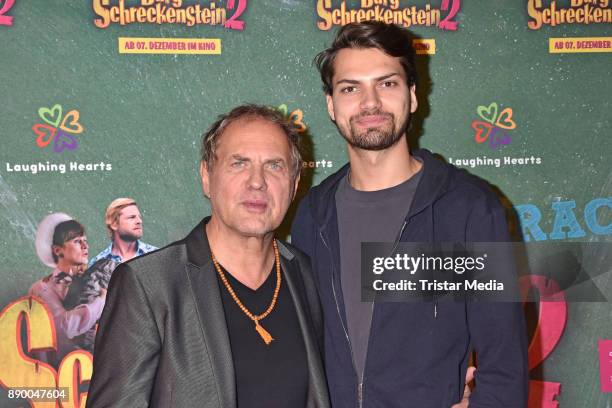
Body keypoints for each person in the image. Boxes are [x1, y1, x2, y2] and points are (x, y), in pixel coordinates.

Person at [291, 22, 528, 407]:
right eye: (351, 88)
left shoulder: (466, 208)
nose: (370, 103)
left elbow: (505, 363)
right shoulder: (313, 216)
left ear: (413, 96)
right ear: (331, 105)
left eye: (387, 84)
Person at [86, 105, 330, 408]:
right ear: (206, 177)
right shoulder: (149, 285)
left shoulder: (303, 273)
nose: (257, 182)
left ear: (294, 186)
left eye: (274, 166)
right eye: (239, 163)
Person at [29, 213, 106, 366]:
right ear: (58, 250)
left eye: (85, 241)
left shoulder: (92, 279)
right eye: (77, 241)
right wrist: (102, 300)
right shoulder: (42, 289)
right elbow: (66, 327)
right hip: (62, 374)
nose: (85, 246)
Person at [88, 197, 157, 267]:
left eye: (140, 217)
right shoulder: (98, 264)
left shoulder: (155, 255)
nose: (139, 221)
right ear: (114, 224)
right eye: (132, 217)